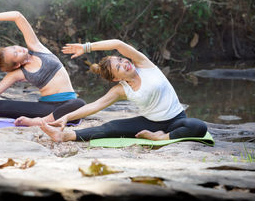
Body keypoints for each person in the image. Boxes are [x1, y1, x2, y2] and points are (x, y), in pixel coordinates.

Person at [40, 39, 207, 142]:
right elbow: (94, 106)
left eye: (120, 59)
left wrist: (86, 47)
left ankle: (161, 136)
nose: (124, 63)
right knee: (110, 127)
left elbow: (118, 44)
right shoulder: (121, 90)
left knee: (198, 126)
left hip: (177, 119)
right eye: (119, 67)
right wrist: (66, 117)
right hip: (150, 122)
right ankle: (64, 136)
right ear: (116, 78)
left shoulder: (144, 64)